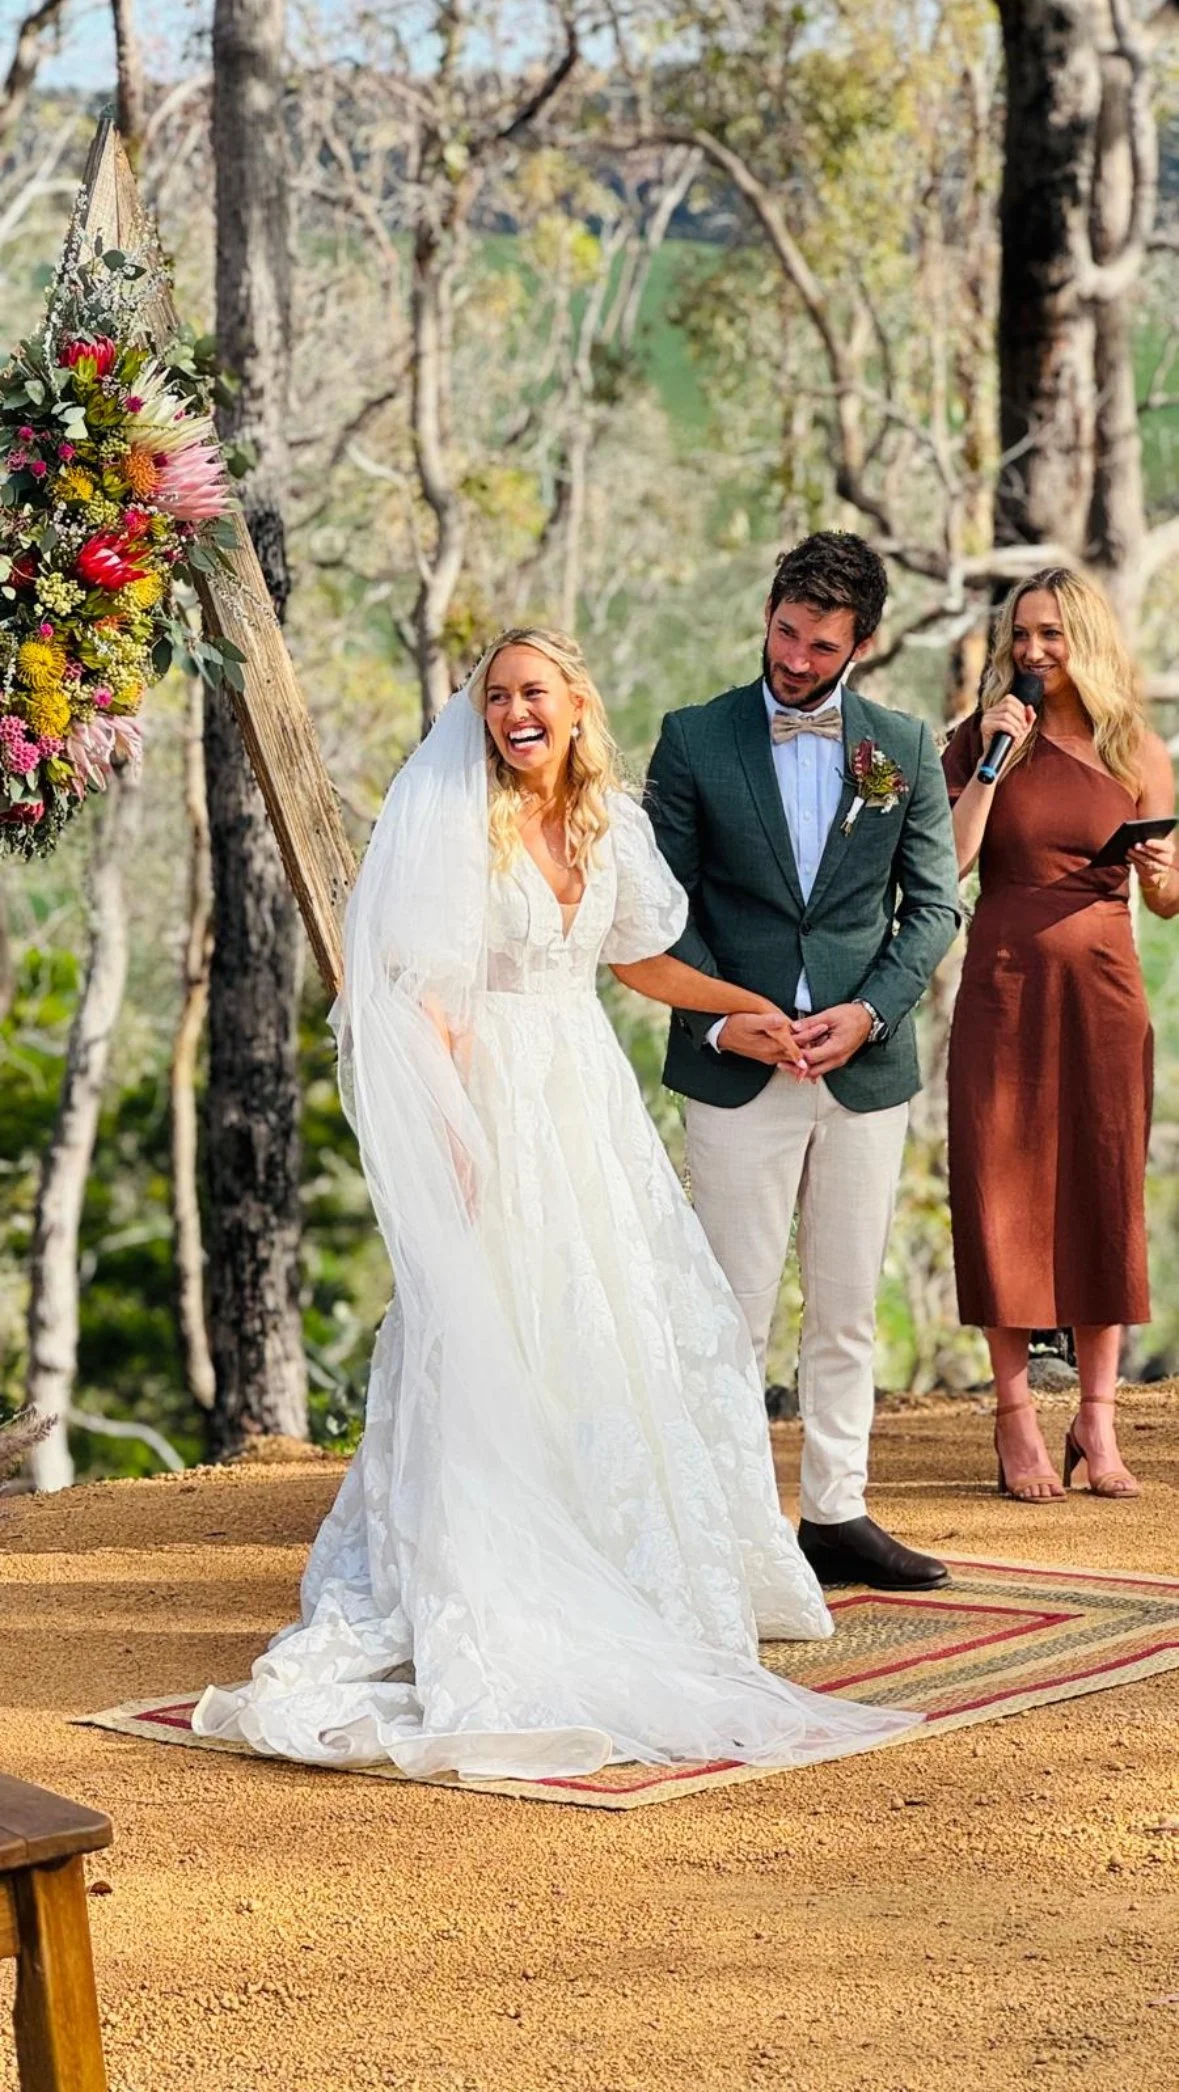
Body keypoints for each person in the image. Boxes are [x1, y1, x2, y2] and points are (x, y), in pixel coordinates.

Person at [193, 628, 917, 1782]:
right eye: (497, 696)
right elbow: (413, 986)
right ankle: (498, 1565)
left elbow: (640, 963)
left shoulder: (609, 821)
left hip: (584, 1095)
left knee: (616, 1313)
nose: (515, 712)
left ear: (578, 701)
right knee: (500, 1324)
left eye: (535, 693)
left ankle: (622, 1543)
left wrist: (743, 1007)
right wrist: (454, 1128)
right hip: (493, 1097)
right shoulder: (455, 822)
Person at [645, 533, 960, 1592]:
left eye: (822, 646)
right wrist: (732, 1022)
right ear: (770, 611)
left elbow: (934, 906)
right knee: (731, 1302)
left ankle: (837, 1510)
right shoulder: (692, 741)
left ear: (859, 646)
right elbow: (658, 913)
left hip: (864, 1076)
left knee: (845, 1306)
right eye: (786, 631)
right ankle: (728, 1527)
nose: (796, 658)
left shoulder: (902, 748)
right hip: (741, 1069)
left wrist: (870, 1013)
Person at [942, 568, 1176, 1503]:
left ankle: (1095, 1419)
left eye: (1051, 634)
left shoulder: (1136, 749)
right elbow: (951, 862)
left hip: (1104, 990)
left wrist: (1161, 871)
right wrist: (993, 760)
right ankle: (1012, 1423)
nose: (1033, 651)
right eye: (1021, 635)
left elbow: (1166, 901)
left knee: (1100, 1184)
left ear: (1085, 638)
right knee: (1002, 1186)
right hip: (1003, 982)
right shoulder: (980, 736)